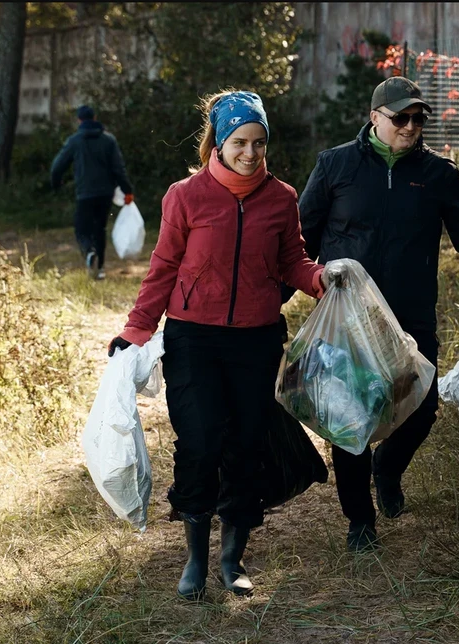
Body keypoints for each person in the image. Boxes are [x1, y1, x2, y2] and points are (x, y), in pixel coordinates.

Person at [291, 76, 459, 552]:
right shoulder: (336, 165)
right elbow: (301, 236)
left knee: (422, 407)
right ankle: (360, 520)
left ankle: (388, 468)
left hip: (411, 314)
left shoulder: (437, 174)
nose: (410, 126)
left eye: (417, 118)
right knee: (352, 419)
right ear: (374, 118)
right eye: (400, 118)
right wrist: (283, 290)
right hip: (349, 316)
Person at [107, 91, 327, 601]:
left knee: (247, 444)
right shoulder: (185, 195)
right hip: (194, 338)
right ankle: (196, 557)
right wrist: (136, 329)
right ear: (218, 144)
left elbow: (292, 260)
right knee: (201, 443)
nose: (250, 154)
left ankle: (233, 555)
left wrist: (320, 279)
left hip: (256, 338)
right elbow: (162, 267)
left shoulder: (281, 197)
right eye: (239, 143)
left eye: (259, 143)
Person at [50, 105, 134, 280]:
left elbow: (57, 166)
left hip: (85, 193)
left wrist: (57, 184)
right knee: (100, 229)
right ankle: (101, 269)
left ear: (79, 120)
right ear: (95, 118)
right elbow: (118, 169)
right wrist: (127, 190)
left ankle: (89, 251)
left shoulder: (75, 141)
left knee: (82, 228)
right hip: (105, 194)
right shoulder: (108, 140)